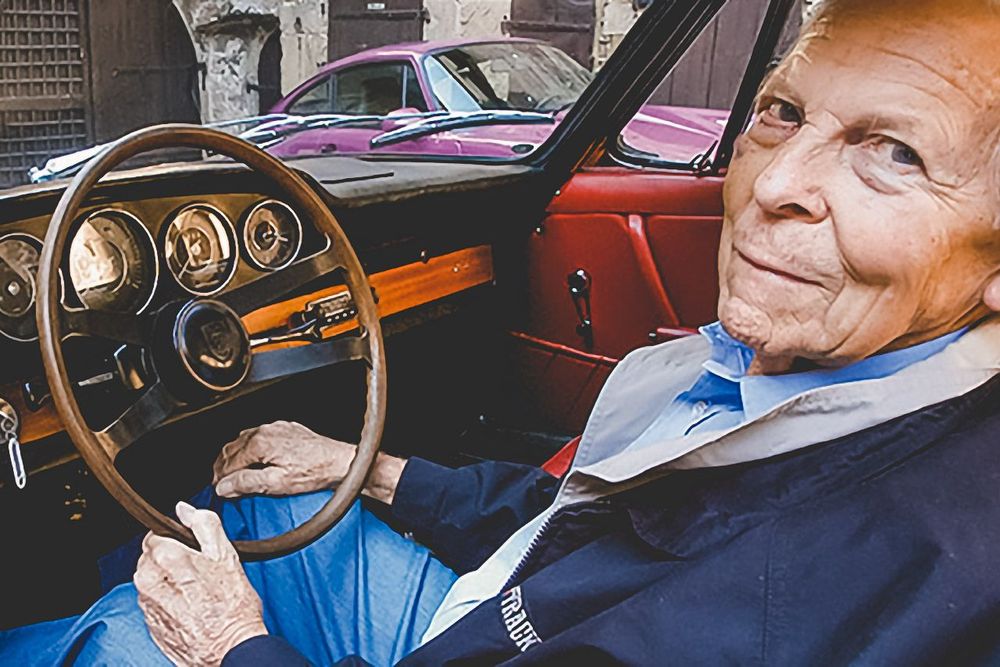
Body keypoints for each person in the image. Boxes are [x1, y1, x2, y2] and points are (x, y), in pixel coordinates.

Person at [4, 0, 1000, 663]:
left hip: (490, 632)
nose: (776, 183)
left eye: (895, 154)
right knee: (256, 503)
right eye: (781, 111)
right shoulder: (821, 390)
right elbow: (587, 515)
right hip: (510, 607)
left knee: (126, 636)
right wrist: (369, 466)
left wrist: (231, 644)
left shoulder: (863, 571)